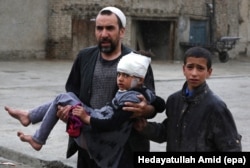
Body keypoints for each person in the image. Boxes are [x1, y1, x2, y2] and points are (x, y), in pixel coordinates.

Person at [5, 53, 165, 167]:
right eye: (119, 74)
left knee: (64, 97)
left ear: (140, 79)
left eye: (126, 75)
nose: (120, 79)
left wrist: (86, 118)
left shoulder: (131, 99)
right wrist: (151, 105)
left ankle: (37, 135)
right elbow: (161, 102)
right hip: (98, 119)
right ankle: (30, 117)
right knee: (63, 98)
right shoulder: (141, 92)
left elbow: (112, 122)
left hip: (98, 132)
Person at [56, 6, 159, 168]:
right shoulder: (84, 57)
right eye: (99, 28)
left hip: (124, 149)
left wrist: (145, 110)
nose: (104, 34)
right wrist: (67, 113)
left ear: (122, 31)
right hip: (89, 144)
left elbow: (152, 104)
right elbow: (72, 94)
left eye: (110, 28)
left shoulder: (137, 62)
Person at [136, 46, 242, 151]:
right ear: (184, 69)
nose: (194, 73)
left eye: (200, 68)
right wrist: (145, 128)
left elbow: (232, 148)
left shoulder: (216, 107)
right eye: (190, 67)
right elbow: (168, 132)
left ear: (209, 72)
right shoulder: (174, 101)